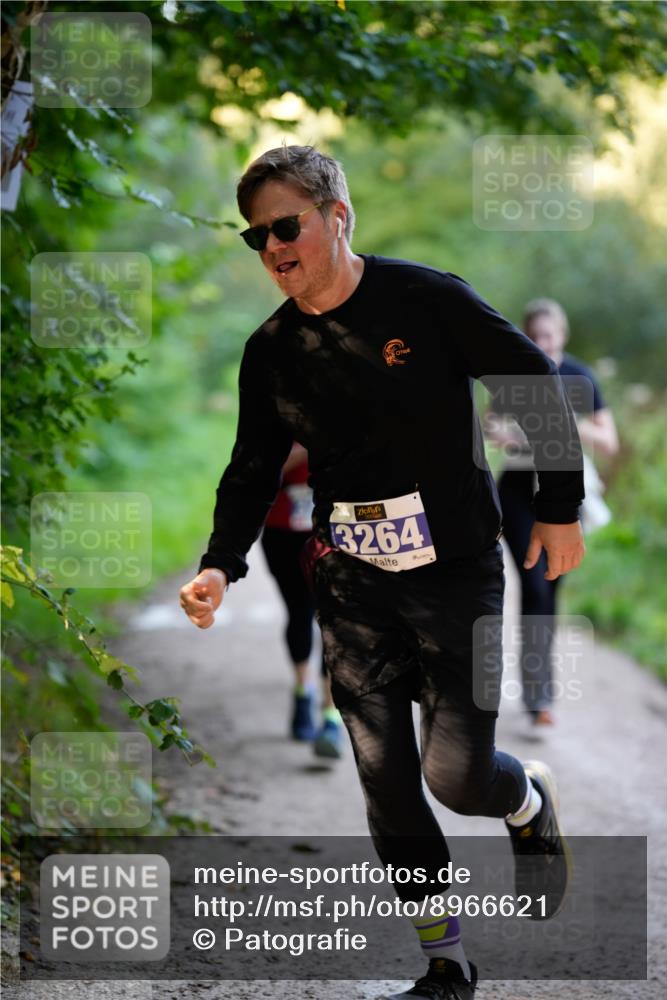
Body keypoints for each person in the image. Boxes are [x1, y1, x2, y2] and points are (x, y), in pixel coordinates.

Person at [179, 146, 586, 999]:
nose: (273, 249)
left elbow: (531, 383)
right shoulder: (273, 351)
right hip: (353, 583)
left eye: (286, 226)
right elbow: (252, 466)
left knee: (455, 777)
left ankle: (522, 800)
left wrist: (557, 505)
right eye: (257, 237)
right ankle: (446, 961)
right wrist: (220, 563)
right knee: (387, 780)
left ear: (337, 215)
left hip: (458, 572)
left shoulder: (424, 299)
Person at [486, 299, 618, 732]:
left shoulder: (581, 377)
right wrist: (503, 432)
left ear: (561, 336)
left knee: (551, 588)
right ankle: (539, 695)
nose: (541, 344)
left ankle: (540, 690)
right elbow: (490, 424)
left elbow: (609, 440)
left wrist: (564, 422)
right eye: (534, 337)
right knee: (535, 584)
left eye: (549, 336)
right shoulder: (517, 372)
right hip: (519, 494)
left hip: (564, 497)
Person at [261, 440, 343, 757]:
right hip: (283, 531)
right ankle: (302, 694)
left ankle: (330, 715)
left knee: (333, 621)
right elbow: (256, 469)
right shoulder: (277, 409)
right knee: (299, 613)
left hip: (334, 532)